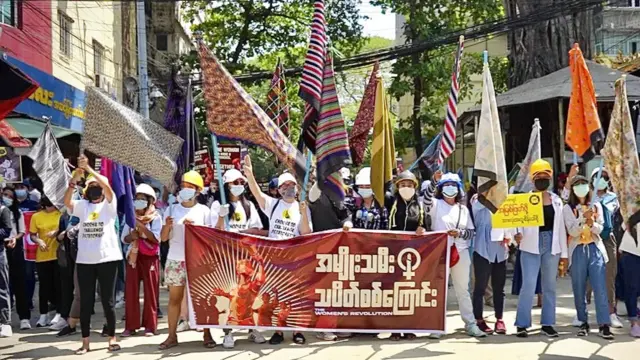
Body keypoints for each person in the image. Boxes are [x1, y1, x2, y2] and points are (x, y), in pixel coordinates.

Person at [243, 155, 311, 345]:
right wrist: (249, 174)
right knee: (275, 295)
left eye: (291, 185)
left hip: (294, 259)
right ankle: (279, 331)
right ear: (279, 190)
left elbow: (306, 232)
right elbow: (257, 193)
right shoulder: (273, 206)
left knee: (295, 296)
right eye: (284, 186)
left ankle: (297, 330)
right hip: (273, 260)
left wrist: (304, 214)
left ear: (296, 188)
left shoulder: (302, 207)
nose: (289, 189)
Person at [64, 154, 122, 354]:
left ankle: (112, 338)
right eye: (90, 186)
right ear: (85, 190)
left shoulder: (109, 205)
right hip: (85, 261)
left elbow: (107, 188)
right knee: (86, 301)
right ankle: (85, 342)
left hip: (108, 259)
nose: (94, 188)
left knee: (108, 300)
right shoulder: (83, 206)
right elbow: (67, 202)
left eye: (96, 185)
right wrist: (75, 179)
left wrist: (89, 169)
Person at [423, 171, 485, 339]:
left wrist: (459, 233)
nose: (450, 189)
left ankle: (470, 324)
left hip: (461, 252)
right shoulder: (435, 205)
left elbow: (472, 233)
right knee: (439, 291)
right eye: (446, 185)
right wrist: (434, 181)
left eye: (453, 186)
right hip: (440, 252)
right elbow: (426, 200)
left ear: (458, 189)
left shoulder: (463, 209)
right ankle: (436, 327)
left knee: (462, 290)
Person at [210, 168, 265, 348]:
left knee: (250, 295)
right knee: (231, 297)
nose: (239, 186)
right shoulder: (218, 205)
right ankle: (228, 332)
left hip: (246, 259)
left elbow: (257, 230)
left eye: (241, 183)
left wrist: (244, 233)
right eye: (235, 183)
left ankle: (251, 329)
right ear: (227, 185)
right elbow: (212, 232)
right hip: (226, 259)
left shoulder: (248, 206)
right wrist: (220, 217)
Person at [514, 159, 568, 338]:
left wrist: (564, 254)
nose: (542, 179)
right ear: (532, 179)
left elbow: (560, 228)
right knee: (528, 285)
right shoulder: (524, 200)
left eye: (546, 176)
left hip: (552, 245)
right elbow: (517, 224)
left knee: (549, 286)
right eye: (539, 176)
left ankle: (548, 323)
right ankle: (522, 324)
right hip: (530, 245)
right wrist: (517, 236)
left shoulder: (557, 201)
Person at [159, 171, 212, 350]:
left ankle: (207, 333)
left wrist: (196, 229)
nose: (185, 190)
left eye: (190, 187)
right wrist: (167, 225)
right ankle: (171, 336)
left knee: (203, 298)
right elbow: (163, 238)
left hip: (198, 261)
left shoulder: (204, 211)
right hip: (176, 260)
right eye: (183, 186)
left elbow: (211, 238)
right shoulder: (172, 209)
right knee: (174, 299)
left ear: (198, 191)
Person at [562, 175, 614, 339]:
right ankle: (582, 321)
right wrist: (582, 219)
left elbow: (601, 229)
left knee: (600, 287)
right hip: (578, 250)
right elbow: (572, 231)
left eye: (583, 184)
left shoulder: (596, 205)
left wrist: (592, 223)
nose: (581, 187)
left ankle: (604, 323)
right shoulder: (568, 208)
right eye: (577, 185)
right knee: (579, 288)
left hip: (594, 248)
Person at [308, 176, 353, 341]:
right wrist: (322, 174)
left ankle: (336, 324)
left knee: (338, 290)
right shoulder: (316, 194)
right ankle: (322, 327)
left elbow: (346, 215)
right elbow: (313, 193)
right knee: (323, 291)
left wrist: (348, 223)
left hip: (338, 249)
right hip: (320, 250)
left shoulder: (339, 197)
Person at [385, 171, 427, 341]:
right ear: (397, 187)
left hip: (412, 255)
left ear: (415, 187)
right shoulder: (391, 201)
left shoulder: (420, 205)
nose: (406, 188)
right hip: (394, 252)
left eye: (410, 185)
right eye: (403, 185)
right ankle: (395, 328)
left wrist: (422, 229)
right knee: (393, 291)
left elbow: (425, 225)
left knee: (409, 291)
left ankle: (408, 326)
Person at [121, 184, 162, 337]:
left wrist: (142, 228)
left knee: (151, 292)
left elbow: (157, 238)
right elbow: (124, 238)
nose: (139, 202)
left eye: (142, 199)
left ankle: (150, 326)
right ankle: (130, 326)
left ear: (150, 201)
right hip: (133, 257)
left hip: (150, 258)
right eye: (137, 199)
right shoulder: (129, 216)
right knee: (131, 292)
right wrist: (132, 236)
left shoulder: (156, 217)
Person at [471, 192, 510, 335]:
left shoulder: (505, 200)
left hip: (500, 250)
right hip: (482, 250)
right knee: (480, 287)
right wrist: (487, 193)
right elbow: (477, 207)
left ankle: (499, 318)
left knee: (499, 288)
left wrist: (509, 235)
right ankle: (479, 319)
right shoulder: (478, 199)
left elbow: (510, 221)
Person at [589, 167, 623, 328]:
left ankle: (611, 312)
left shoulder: (613, 198)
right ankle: (582, 311)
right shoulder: (586, 195)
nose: (601, 179)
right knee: (587, 276)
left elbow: (612, 212)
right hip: (588, 238)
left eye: (604, 177)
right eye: (598, 176)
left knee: (609, 275)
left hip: (607, 238)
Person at [29, 196, 62, 329]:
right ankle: (43, 314)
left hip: (58, 254)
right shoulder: (36, 216)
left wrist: (57, 232)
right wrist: (39, 241)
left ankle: (59, 313)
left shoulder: (61, 214)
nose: (51, 207)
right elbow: (32, 234)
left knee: (58, 285)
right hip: (42, 256)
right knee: (44, 287)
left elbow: (66, 228)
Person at [3, 188, 30, 330]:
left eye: (10, 196)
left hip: (15, 249)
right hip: (2, 247)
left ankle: (24, 317)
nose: (7, 198)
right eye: (5, 195)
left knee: (19, 283)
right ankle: (4, 320)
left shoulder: (16, 212)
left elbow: (22, 231)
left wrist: (14, 238)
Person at [618, 223, 640, 337]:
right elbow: (624, 225)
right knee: (631, 288)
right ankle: (634, 323)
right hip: (631, 251)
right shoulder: (634, 207)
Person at [0, 196, 14, 337]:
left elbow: (6, 230)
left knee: (2, 288)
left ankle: (5, 322)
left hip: (0, 254)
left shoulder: (3, 210)